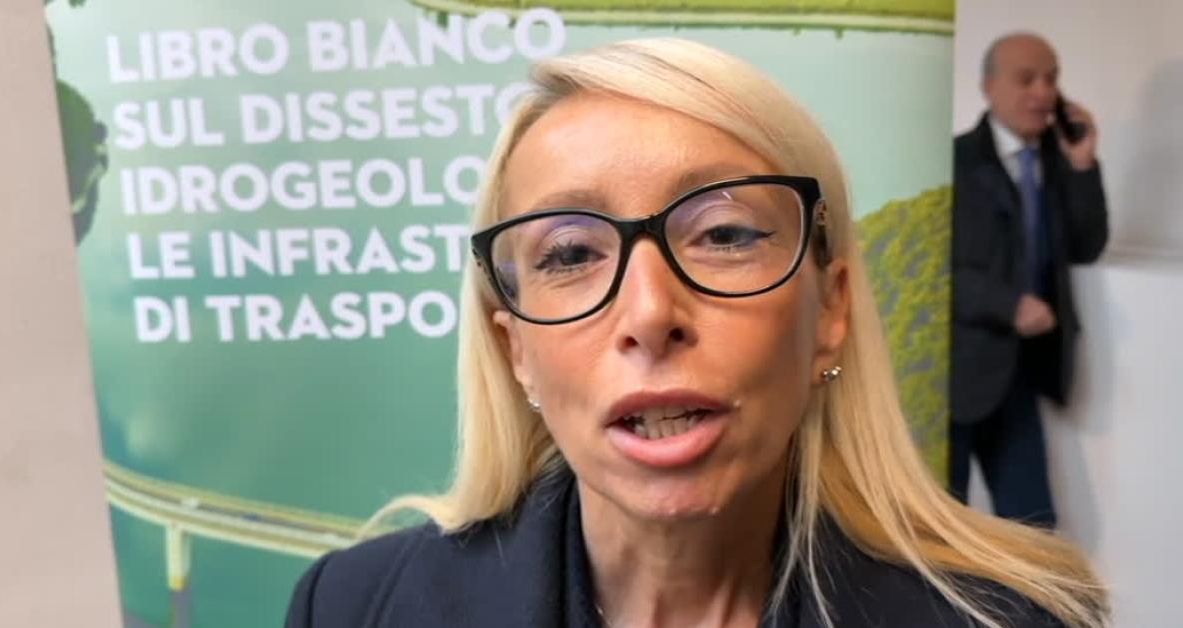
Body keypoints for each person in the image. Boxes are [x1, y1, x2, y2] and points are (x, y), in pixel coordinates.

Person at [287, 39, 1107, 627]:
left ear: (830, 312)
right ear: (516, 352)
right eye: (570, 253)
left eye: (724, 234)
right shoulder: (354, 609)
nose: (649, 314)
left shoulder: (1015, 619)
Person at [950, 32, 1109, 528]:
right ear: (989, 87)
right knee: (941, 527)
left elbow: (1086, 246)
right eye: (1027, 79)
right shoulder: (953, 162)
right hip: (956, 373)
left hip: (1022, 375)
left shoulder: (1060, 163)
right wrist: (1007, 305)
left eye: (1051, 79)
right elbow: (934, 268)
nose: (1043, 92)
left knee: (1034, 526)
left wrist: (1082, 165)